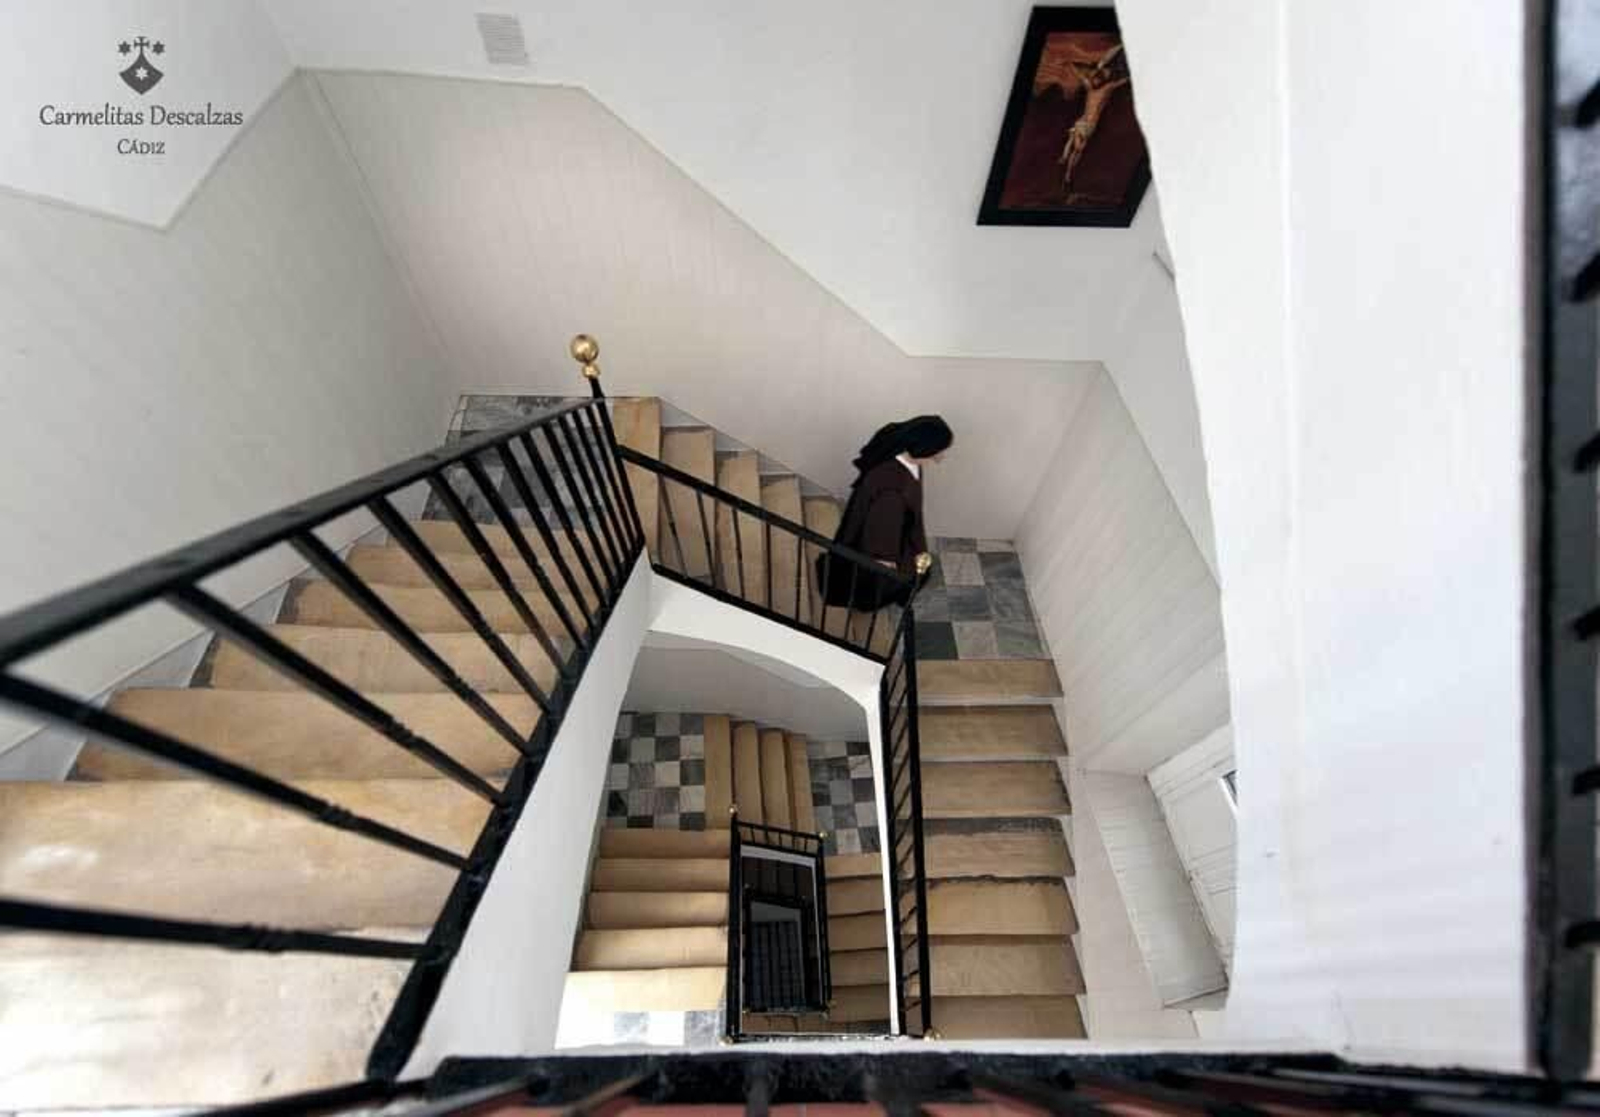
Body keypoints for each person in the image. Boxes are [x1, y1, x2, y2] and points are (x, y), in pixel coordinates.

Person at [816, 415, 953, 611]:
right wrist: (888, 562)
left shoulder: (899, 456)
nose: (940, 458)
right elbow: (880, 538)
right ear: (923, 449)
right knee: (882, 580)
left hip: (890, 528)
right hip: (879, 543)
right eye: (937, 453)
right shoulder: (892, 493)